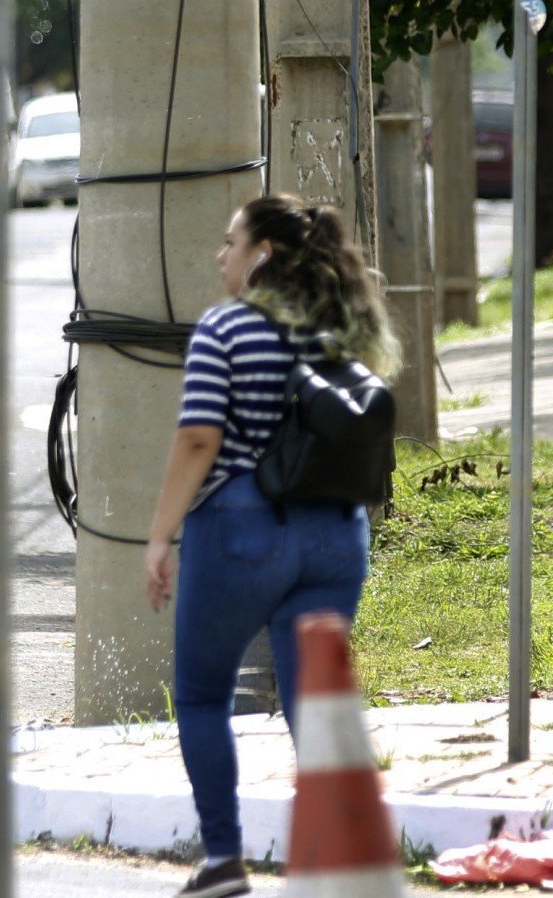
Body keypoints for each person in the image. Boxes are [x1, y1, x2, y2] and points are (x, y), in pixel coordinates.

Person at [144, 193, 401, 898]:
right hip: (335, 535)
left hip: (240, 529)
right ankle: (346, 859)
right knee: (310, 701)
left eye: (232, 242)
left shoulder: (227, 327)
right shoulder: (345, 326)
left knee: (202, 696)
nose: (220, 255)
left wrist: (160, 534)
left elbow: (200, 437)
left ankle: (225, 860)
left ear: (265, 256)